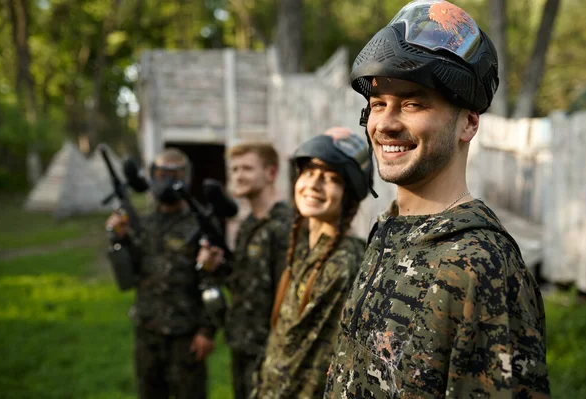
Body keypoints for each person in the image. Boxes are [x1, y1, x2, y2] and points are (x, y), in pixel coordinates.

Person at [324, 1, 550, 398]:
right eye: (378, 104)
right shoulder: (388, 233)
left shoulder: (483, 265)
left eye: (413, 103)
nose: (387, 123)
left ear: (468, 122)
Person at [251, 128, 373, 398]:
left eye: (330, 178)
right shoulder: (307, 250)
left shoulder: (343, 263)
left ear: (348, 194)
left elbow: (314, 360)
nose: (314, 185)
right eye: (309, 172)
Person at [106, 148, 215, 399]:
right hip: (148, 331)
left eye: (175, 175)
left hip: (186, 335)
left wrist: (206, 332)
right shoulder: (144, 224)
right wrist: (119, 239)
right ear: (152, 176)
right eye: (161, 174)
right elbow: (128, 275)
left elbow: (211, 280)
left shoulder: (198, 224)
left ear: (186, 178)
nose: (167, 181)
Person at [200, 142, 292, 399]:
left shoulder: (282, 226)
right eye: (235, 169)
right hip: (242, 344)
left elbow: (287, 298)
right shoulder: (248, 225)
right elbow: (244, 285)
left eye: (247, 169)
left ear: (271, 173)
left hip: (269, 351)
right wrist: (216, 267)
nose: (238, 176)